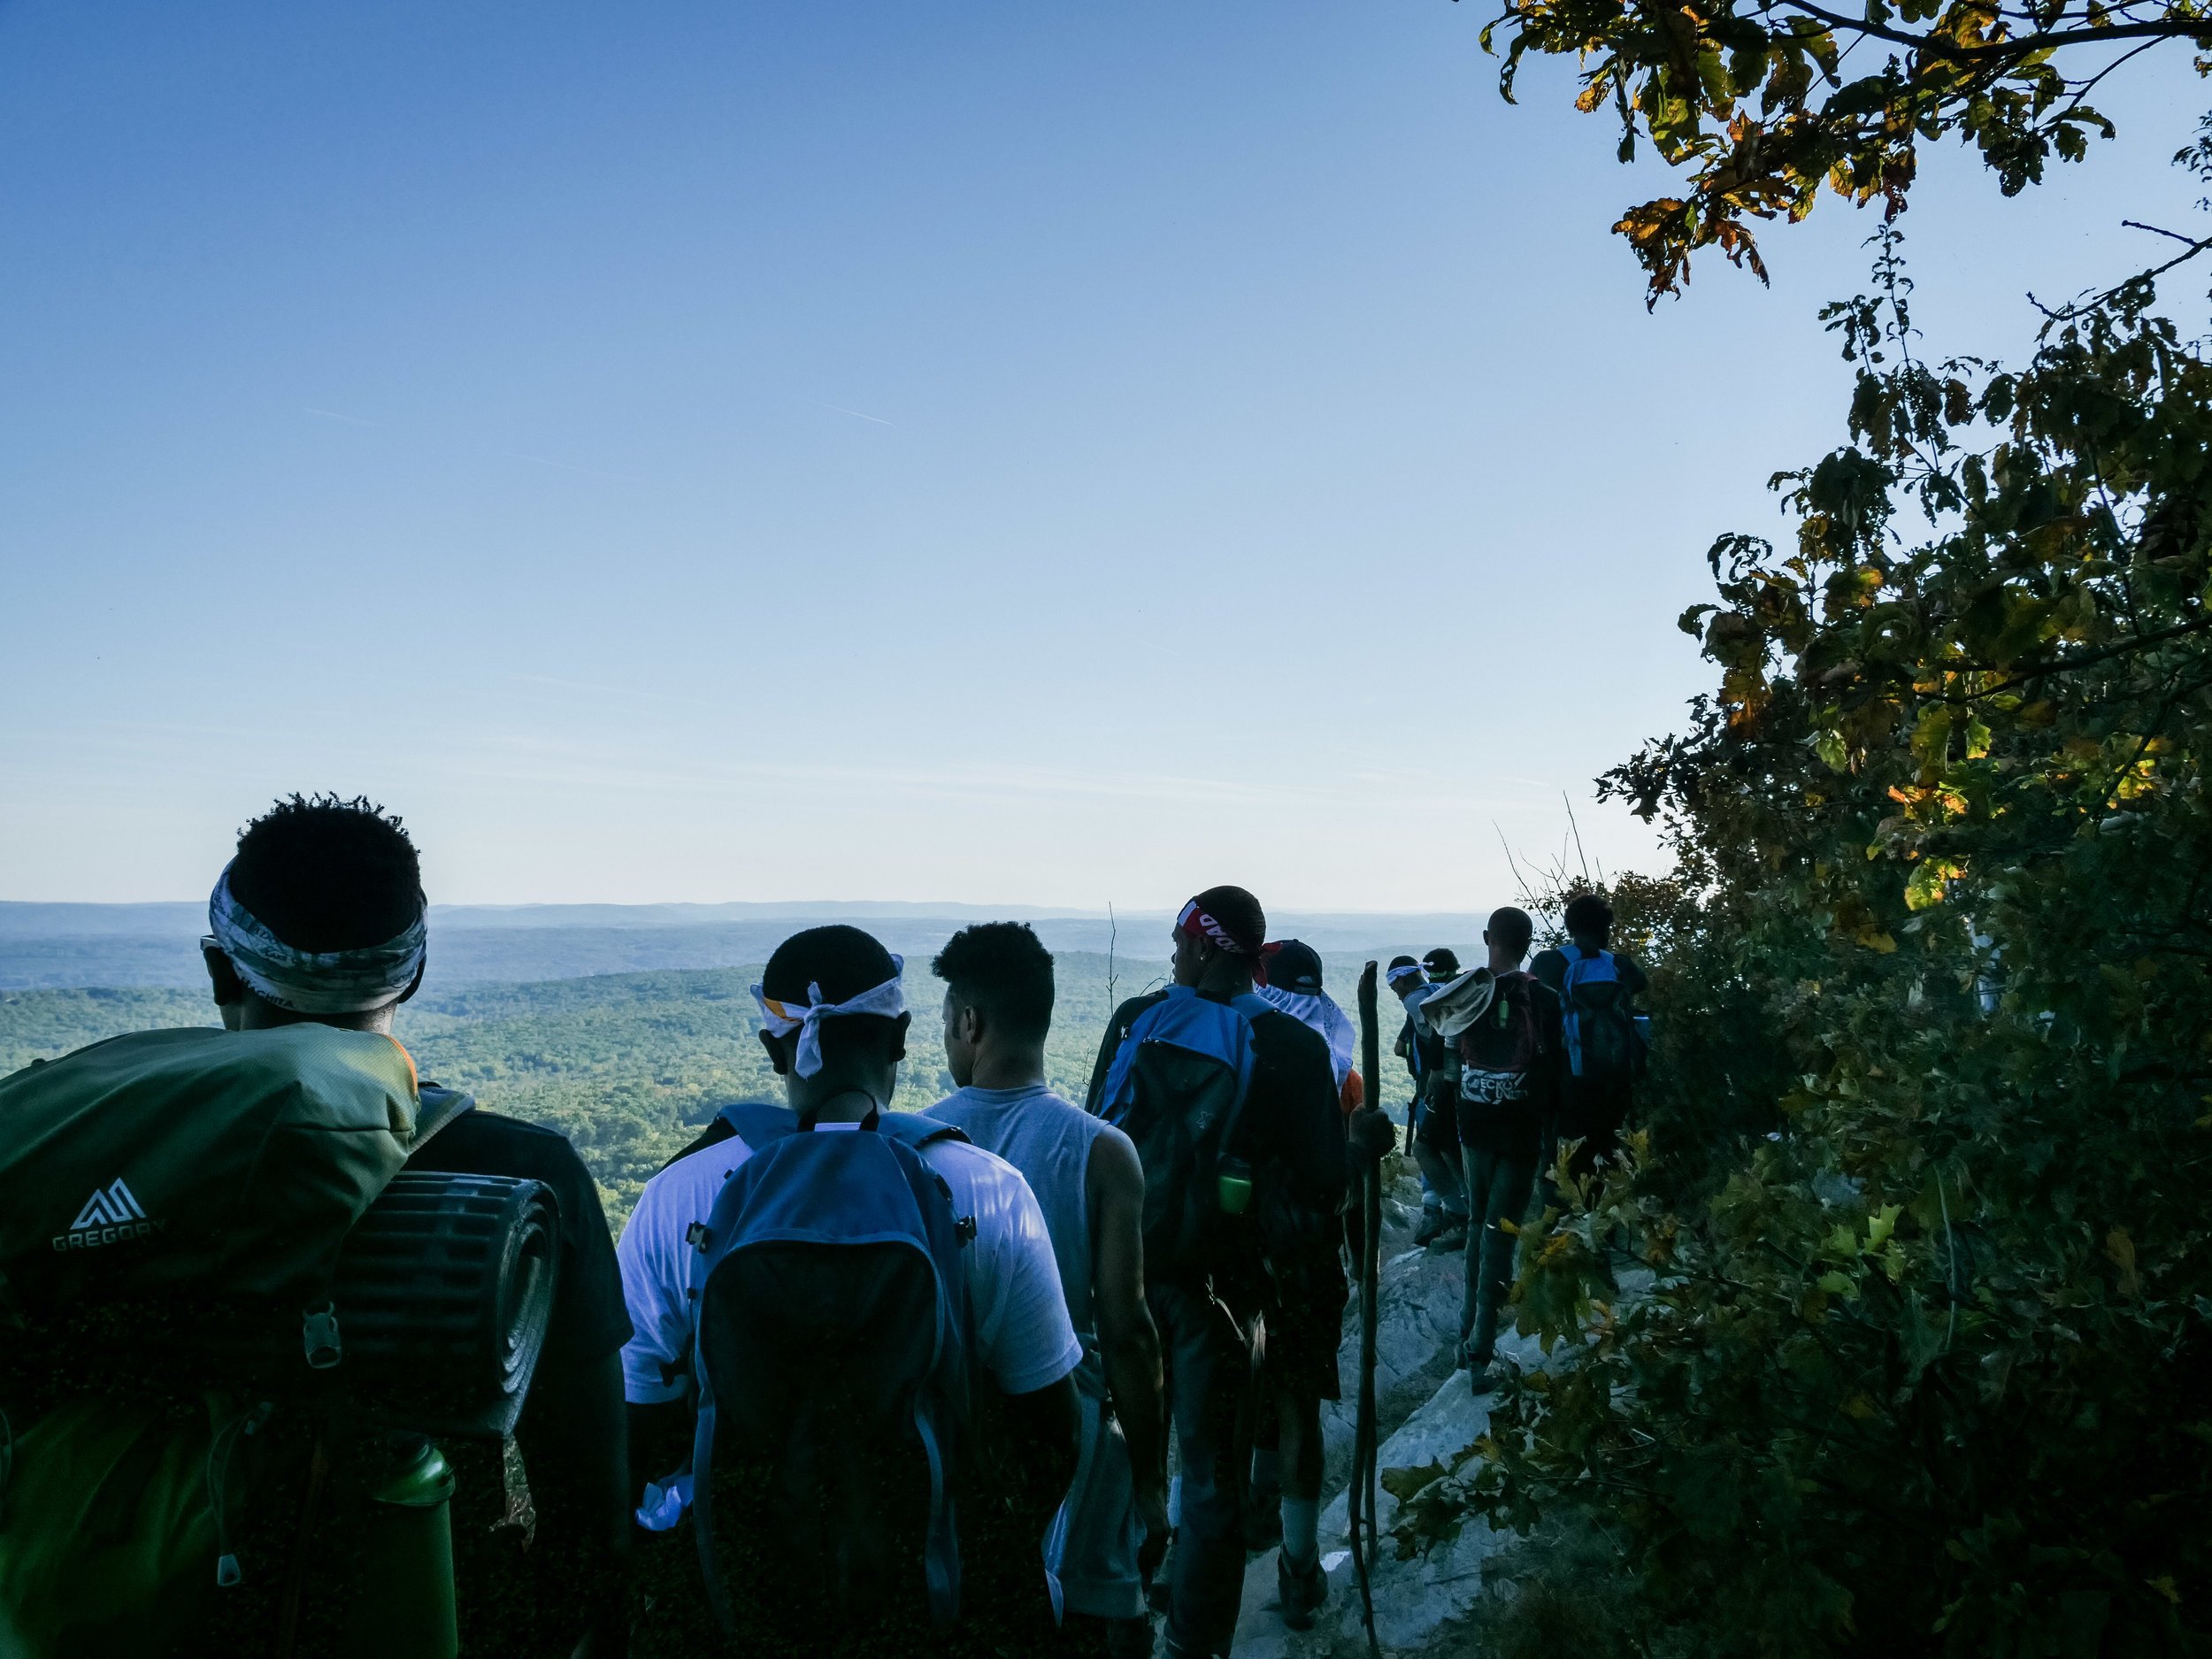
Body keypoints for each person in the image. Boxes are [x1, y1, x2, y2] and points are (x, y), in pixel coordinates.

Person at [197, 794, 634, 1656]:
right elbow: (587, 1486)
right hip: (440, 1609)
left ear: (220, 970)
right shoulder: (525, 1172)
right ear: (415, 973)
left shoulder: (120, 1164)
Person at [617, 924, 1085, 1650]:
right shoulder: (989, 1193)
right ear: (899, 1038)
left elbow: (638, 1429)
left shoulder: (676, 1200)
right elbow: (1052, 1429)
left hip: (743, 1601)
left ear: (775, 1049)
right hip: (929, 1595)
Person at [1085, 887, 1347, 1656]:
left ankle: (1120, 1613)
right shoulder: (1292, 1048)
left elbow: (1097, 1133)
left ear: (1203, 946)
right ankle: (1193, 1645)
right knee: (1209, 1477)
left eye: (1178, 940)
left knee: (1121, 1456)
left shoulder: (1135, 1020)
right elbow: (1325, 1180)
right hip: (1223, 1294)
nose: (1171, 953)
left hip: (1125, 1273)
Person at [923, 922, 1168, 1659]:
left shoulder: (911, 1144)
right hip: (1076, 1450)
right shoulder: (1102, 1150)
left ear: (970, 1021)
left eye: (946, 1023)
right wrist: (1153, 1484)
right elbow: (1127, 1331)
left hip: (950, 1442)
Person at [1245, 939, 1356, 1628]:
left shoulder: (1244, 1041)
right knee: (1297, 1406)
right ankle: (1298, 1563)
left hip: (1240, 1244)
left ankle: (1246, 1516)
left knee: (1245, 1391)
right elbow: (1336, 1176)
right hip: (1309, 1253)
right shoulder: (1336, 1055)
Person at [1422, 907, 1565, 1395]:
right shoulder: (1544, 997)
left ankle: (1467, 1338)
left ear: (1488, 938)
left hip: (1475, 1128)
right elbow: (1560, 1068)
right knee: (1501, 1230)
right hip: (1522, 1131)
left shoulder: (1466, 992)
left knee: (1479, 1221)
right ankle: (1482, 1349)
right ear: (1528, 943)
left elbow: (1444, 1063)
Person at [1530, 894, 1649, 1180]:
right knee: (1608, 1153)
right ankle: (1607, 1215)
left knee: (1562, 1159)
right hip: (1615, 1078)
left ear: (1570, 926)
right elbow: (1640, 984)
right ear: (1605, 927)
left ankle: (1562, 1217)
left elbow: (1532, 1002)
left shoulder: (1549, 963)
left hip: (1566, 1078)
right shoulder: (1620, 966)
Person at [1389, 954, 1469, 1250]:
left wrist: (1436, 1071)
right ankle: (1459, 1212)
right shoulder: (1439, 993)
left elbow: (1436, 1034)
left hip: (1437, 1086)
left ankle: (1458, 1215)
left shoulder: (1416, 1001)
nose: (1395, 992)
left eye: (1394, 984)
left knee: (1427, 1146)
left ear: (1403, 978)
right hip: (1459, 1084)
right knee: (1448, 1147)